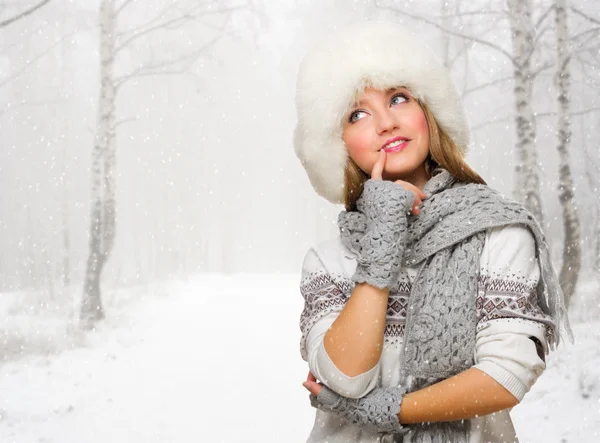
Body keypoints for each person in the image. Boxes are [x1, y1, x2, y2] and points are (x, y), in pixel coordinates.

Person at [292, 21, 573, 443]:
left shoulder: (497, 232)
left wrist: (390, 410)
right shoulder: (329, 261)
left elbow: (506, 374)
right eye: (358, 113)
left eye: (399, 98)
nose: (386, 122)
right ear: (339, 143)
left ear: (428, 113)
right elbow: (346, 377)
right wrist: (384, 236)